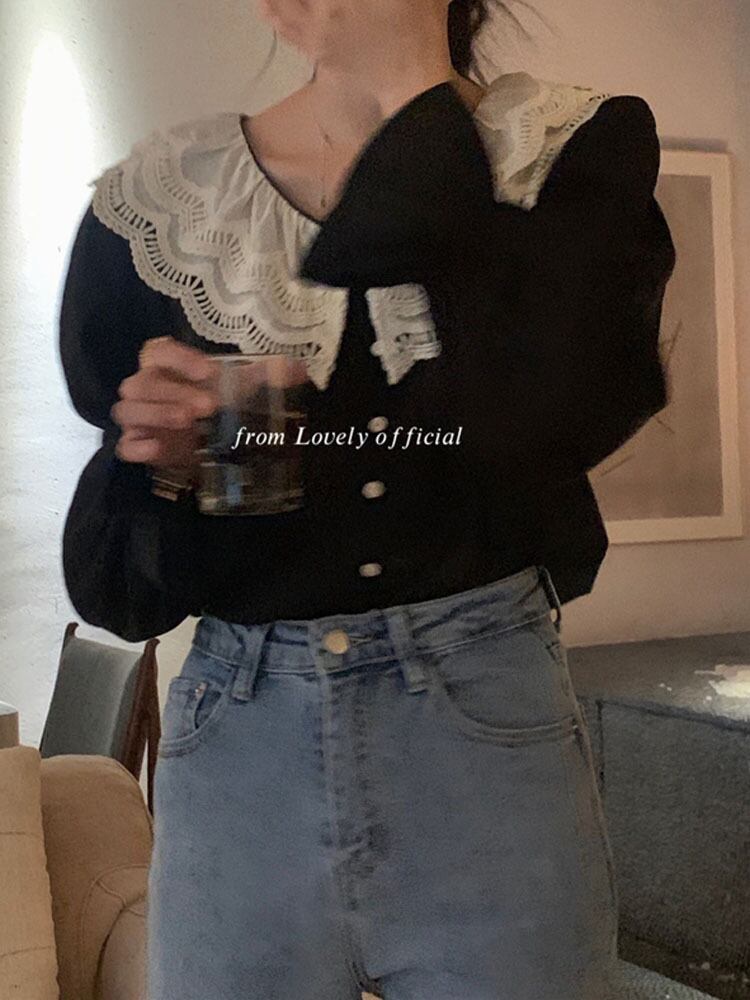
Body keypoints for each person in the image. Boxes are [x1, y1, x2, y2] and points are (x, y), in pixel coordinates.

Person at [58, 1, 677, 997]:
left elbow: (555, 419)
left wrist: (408, 89)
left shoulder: (566, 152)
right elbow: (122, 594)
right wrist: (160, 462)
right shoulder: (171, 198)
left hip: (486, 728)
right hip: (239, 740)